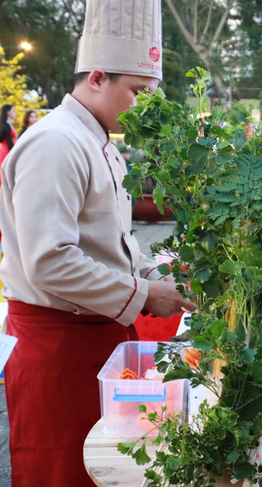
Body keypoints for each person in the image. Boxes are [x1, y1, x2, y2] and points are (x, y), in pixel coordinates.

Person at [0, 1, 195, 486]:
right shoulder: (56, 142)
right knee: (61, 470)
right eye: (137, 91)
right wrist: (147, 295)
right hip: (56, 346)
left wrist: (151, 272)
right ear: (97, 77)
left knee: (107, 467)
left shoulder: (100, 141)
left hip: (96, 334)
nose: (144, 106)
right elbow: (51, 261)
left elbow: (114, 241)